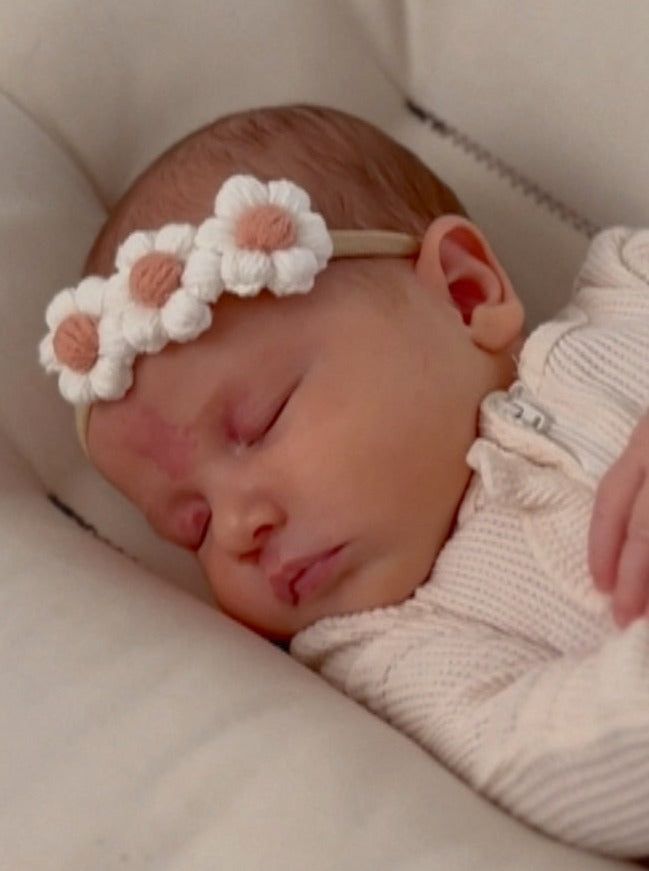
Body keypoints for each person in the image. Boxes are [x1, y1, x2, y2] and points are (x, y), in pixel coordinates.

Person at [39, 104, 649, 858]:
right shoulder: (389, 650)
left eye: (260, 422)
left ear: (464, 294)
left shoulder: (624, 299)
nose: (235, 528)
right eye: (189, 527)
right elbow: (564, 758)